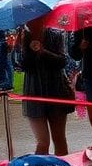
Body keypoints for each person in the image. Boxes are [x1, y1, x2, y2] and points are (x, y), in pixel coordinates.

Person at [19, 17, 73, 154]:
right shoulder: (24, 36)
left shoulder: (55, 34)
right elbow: (22, 65)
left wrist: (43, 52)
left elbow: (62, 61)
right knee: (42, 142)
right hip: (34, 91)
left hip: (55, 89)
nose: (30, 24)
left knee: (59, 138)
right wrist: (28, 49)